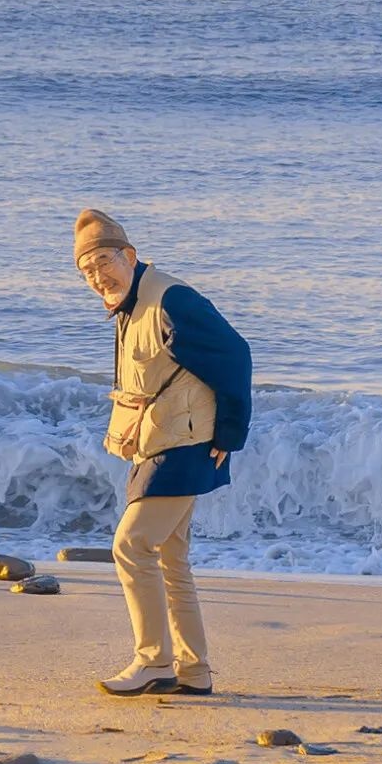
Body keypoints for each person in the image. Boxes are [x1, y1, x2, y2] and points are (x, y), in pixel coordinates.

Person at [74, 209, 252, 697]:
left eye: (103, 263)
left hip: (186, 446)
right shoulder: (130, 303)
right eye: (86, 271)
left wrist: (230, 436)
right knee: (171, 557)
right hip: (157, 443)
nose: (96, 277)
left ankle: (153, 661)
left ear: (129, 256)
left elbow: (236, 357)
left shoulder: (172, 300)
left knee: (130, 547)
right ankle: (193, 672)